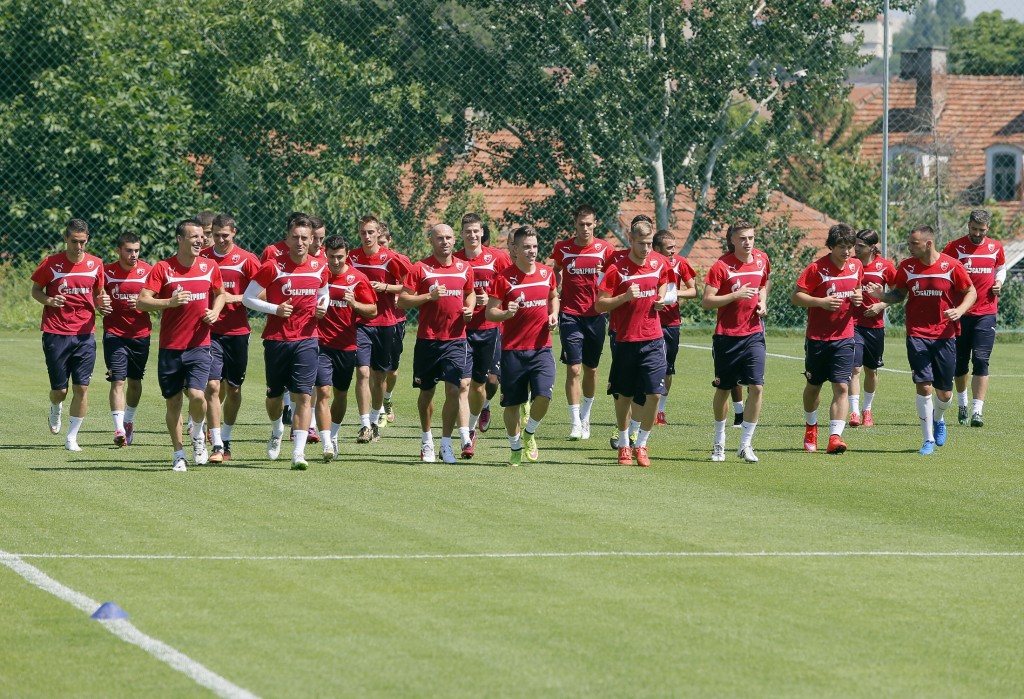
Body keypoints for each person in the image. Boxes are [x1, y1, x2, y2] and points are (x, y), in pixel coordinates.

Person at [866, 225, 976, 455]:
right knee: (924, 385)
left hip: (945, 335)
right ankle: (928, 440)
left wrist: (960, 310)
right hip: (917, 334)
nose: (909, 247)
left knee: (945, 394)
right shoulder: (907, 267)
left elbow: (971, 292)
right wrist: (882, 296)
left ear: (928, 244)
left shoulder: (951, 266)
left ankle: (939, 418)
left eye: (913, 243)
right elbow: (899, 294)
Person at [137, 219, 225, 471]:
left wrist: (215, 311)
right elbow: (142, 301)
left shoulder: (210, 266)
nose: (200, 240)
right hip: (170, 348)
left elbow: (220, 294)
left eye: (201, 237)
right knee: (173, 402)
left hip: (199, 345)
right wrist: (169, 303)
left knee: (197, 396)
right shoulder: (163, 268)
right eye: (194, 237)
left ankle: (198, 434)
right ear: (180, 239)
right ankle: (178, 454)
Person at [242, 215, 329, 470]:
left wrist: (322, 307)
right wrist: (275, 309)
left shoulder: (319, 266)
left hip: (307, 339)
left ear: (311, 240)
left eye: (305, 238)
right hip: (277, 340)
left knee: (304, 395)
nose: (300, 242)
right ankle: (277, 428)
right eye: (295, 237)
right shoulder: (273, 266)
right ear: (287, 239)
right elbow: (248, 298)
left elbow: (324, 293)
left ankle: (298, 453)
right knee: (274, 396)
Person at [596, 219, 673, 467]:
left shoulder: (659, 262)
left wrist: (661, 298)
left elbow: (665, 282)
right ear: (630, 239)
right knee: (624, 396)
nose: (646, 248)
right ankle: (623, 443)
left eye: (649, 243)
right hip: (626, 340)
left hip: (654, 339)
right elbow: (599, 304)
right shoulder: (617, 269)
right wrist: (624, 297)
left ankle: (641, 444)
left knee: (655, 394)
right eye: (641, 243)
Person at [31, 218, 111, 451]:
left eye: (83, 242)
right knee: (60, 391)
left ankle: (71, 438)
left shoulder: (96, 264)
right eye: (74, 241)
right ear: (66, 238)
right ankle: (56, 407)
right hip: (56, 332)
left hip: (85, 334)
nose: (79, 247)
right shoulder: (51, 264)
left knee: (82, 388)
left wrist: (102, 304)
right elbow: (36, 290)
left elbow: (98, 293)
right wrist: (49, 300)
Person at [398, 224, 475, 463]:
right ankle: (426, 440)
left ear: (454, 240)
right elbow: (402, 301)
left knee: (454, 390)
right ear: (431, 241)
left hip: (456, 339)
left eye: (449, 237)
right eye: (440, 238)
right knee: (426, 393)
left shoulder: (464, 268)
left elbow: (470, 292)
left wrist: (470, 308)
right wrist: (428, 297)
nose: (445, 242)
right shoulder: (420, 268)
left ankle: (446, 444)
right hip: (428, 341)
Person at [486, 225, 558, 465]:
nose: (532, 251)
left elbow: (553, 297)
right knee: (512, 405)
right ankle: (515, 446)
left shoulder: (547, 273)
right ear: (515, 249)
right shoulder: (504, 278)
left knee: (544, 395)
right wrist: (506, 313)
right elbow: (490, 312)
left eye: (535, 246)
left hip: (542, 348)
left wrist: (553, 314)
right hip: (513, 351)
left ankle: (530, 433)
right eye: (526, 247)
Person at [700, 220, 771, 463]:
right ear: (732, 240)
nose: (747, 242)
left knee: (757, 387)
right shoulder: (721, 266)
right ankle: (719, 442)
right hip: (727, 337)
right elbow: (707, 301)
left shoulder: (761, 259)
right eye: (742, 238)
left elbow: (763, 284)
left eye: (750, 237)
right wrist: (735, 295)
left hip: (754, 334)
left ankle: (745, 444)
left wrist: (763, 302)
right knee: (723, 389)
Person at [790, 223, 864, 455]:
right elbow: (796, 297)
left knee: (841, 386)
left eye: (850, 247)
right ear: (831, 246)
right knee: (814, 386)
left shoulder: (856, 266)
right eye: (841, 246)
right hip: (818, 338)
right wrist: (820, 302)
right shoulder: (816, 269)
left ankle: (835, 437)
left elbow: (857, 288)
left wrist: (858, 297)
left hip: (845, 336)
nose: (847, 251)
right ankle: (811, 426)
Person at [550, 204, 615, 440]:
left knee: (591, 369)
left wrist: (603, 273)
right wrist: (554, 290)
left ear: (595, 224)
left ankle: (586, 416)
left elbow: (614, 277)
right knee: (573, 368)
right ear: (575, 225)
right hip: (570, 314)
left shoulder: (605, 250)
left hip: (596, 315)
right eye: (581, 224)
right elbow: (556, 270)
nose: (585, 228)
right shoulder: (563, 248)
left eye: (589, 224)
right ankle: (575, 422)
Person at [200, 214, 261, 461]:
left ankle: (226, 438)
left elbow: (265, 292)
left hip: (237, 332)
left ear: (234, 232)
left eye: (225, 235)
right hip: (209, 330)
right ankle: (216, 443)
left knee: (233, 389)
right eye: (216, 235)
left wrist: (233, 298)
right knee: (213, 385)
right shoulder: (203, 257)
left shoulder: (246, 259)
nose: (220, 239)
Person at [314, 235, 378, 462]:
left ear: (347, 255)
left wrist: (354, 304)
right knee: (324, 392)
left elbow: (373, 310)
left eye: (340, 257)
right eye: (331, 257)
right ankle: (326, 442)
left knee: (340, 394)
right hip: (320, 343)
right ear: (325, 255)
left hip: (346, 345)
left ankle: (333, 435)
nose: (336, 261)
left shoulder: (357, 279)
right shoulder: (317, 275)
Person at [349, 215, 412, 442]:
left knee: (379, 376)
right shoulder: (352, 257)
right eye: (363, 232)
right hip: (360, 322)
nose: (367, 236)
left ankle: (375, 420)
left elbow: (410, 284)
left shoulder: (390, 258)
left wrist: (385, 287)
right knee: (362, 372)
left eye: (371, 232)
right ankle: (364, 424)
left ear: (378, 233)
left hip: (386, 323)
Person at [455, 213, 513, 455]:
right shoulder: (455, 260)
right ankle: (467, 435)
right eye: (467, 231)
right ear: (462, 234)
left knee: (488, 382)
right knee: (463, 383)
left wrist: (492, 301)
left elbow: (512, 287)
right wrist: (464, 304)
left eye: (475, 231)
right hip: (462, 330)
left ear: (482, 233)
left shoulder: (497, 258)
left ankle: (482, 409)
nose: (472, 235)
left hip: (490, 329)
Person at [942, 209, 1006, 427]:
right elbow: (944, 271)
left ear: (988, 228)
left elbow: (1001, 268)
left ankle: (977, 411)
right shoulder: (954, 247)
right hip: (960, 313)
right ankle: (963, 404)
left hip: (986, 312)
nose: (977, 233)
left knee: (981, 359)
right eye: (974, 229)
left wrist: (999, 282)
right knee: (960, 363)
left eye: (981, 230)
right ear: (968, 225)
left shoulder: (995, 247)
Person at [102, 232, 152, 447]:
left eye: (137, 251)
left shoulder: (148, 271)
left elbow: (159, 300)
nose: (134, 255)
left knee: (135, 381)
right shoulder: (107, 272)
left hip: (140, 335)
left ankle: (128, 420)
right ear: (119, 250)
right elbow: (97, 295)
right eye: (129, 250)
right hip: (114, 334)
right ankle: (119, 429)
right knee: (117, 380)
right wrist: (100, 304)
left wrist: (143, 303)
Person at [849, 229, 897, 427]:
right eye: (855, 245)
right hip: (852, 324)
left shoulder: (885, 266)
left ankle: (867, 409)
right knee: (855, 368)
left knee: (871, 370)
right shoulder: (850, 264)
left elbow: (898, 294)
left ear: (872, 247)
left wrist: (880, 305)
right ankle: (854, 412)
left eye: (861, 246)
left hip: (875, 326)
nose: (856, 249)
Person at [652, 229, 697, 426]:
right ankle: (646, 408)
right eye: (669, 248)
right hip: (649, 321)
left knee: (668, 369)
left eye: (674, 247)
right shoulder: (647, 263)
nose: (673, 251)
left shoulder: (680, 262)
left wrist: (674, 294)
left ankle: (660, 410)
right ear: (656, 249)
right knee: (651, 366)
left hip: (671, 323)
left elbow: (693, 290)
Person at [376, 221, 411, 427]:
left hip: (395, 320)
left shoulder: (399, 260)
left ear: (389, 240)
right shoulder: (365, 258)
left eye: (382, 242)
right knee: (372, 369)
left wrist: (390, 289)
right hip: (371, 320)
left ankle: (387, 399)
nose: (379, 246)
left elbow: (410, 285)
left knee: (392, 369)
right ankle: (378, 409)